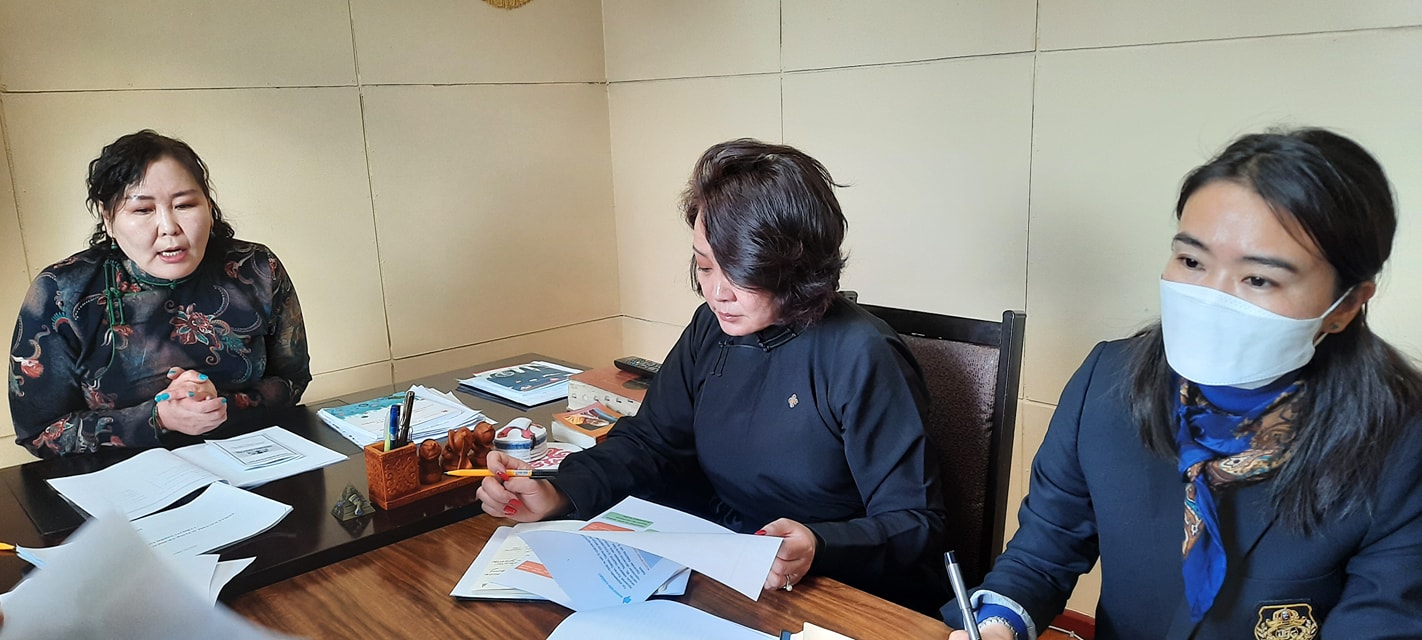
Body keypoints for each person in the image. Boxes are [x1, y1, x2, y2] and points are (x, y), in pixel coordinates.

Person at [944, 128, 1422, 639]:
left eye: (1259, 279)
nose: (1212, 297)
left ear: (1346, 305)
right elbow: (1043, 553)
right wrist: (998, 625)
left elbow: (1383, 626)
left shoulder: (1402, 446)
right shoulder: (1107, 383)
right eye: (1192, 261)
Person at [477, 138, 950, 614]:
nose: (717, 292)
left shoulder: (862, 354)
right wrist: (561, 490)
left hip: (837, 590)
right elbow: (651, 442)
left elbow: (916, 522)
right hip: (725, 563)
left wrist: (819, 544)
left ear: (797, 265)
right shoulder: (712, 328)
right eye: (704, 265)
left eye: (740, 271)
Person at [8, 130, 311, 458]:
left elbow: (293, 378)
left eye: (185, 205)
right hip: (122, 478)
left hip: (251, 459)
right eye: (143, 210)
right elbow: (39, 432)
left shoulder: (256, 269)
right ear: (108, 218)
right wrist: (158, 418)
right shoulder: (62, 292)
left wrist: (225, 403)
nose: (169, 227)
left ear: (209, 206)